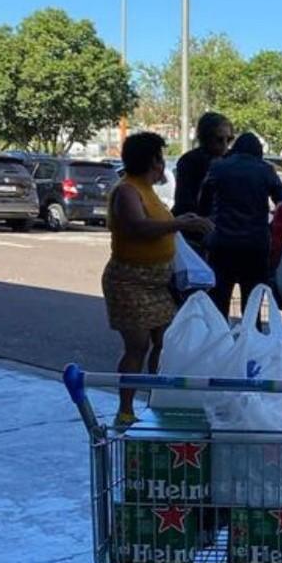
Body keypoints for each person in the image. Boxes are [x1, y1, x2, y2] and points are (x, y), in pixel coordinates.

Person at [102, 132, 213, 425]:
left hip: (157, 283)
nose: (163, 164)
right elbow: (138, 227)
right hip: (129, 281)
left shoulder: (148, 190)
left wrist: (181, 220)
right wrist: (180, 223)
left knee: (166, 342)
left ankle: (158, 398)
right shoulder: (127, 190)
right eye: (160, 158)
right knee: (138, 346)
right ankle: (125, 410)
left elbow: (159, 224)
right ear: (152, 161)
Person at [199, 132, 282, 317]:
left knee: (219, 302)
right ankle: (250, 342)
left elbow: (203, 201)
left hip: (222, 244)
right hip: (255, 245)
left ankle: (220, 341)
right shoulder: (266, 170)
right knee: (252, 305)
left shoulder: (218, 168)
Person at [173, 111, 234, 218]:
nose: (225, 145)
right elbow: (184, 202)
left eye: (229, 139)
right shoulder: (189, 161)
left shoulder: (233, 159)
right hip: (196, 225)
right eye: (219, 140)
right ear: (206, 138)